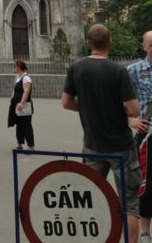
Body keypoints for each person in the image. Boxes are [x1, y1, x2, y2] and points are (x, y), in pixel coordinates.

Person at [62, 24, 142, 243]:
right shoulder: (118, 70)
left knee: (91, 198)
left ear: (88, 44)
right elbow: (134, 110)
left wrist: (89, 106)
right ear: (110, 44)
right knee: (130, 204)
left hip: (92, 146)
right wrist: (114, 108)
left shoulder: (76, 67)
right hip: (121, 148)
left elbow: (66, 103)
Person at [127, 30, 152, 243]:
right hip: (150, 138)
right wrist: (131, 121)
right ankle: (145, 233)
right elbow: (120, 101)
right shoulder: (134, 71)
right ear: (144, 46)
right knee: (147, 187)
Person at [7, 59, 35, 150]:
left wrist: (22, 103)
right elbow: (14, 89)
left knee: (26, 124)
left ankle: (31, 145)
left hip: (24, 104)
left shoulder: (26, 78)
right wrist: (12, 100)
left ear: (19, 67)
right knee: (19, 124)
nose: (14, 68)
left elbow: (26, 91)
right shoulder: (17, 77)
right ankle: (19, 143)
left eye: (15, 66)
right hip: (16, 103)